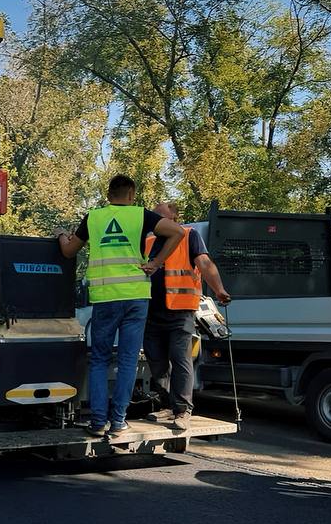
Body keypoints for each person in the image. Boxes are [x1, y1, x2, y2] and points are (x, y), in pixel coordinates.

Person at [59, 175, 185, 437]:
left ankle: (96, 422)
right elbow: (178, 232)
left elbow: (69, 251)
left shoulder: (93, 217)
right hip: (136, 296)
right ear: (132, 194)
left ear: (108, 195)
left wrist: (61, 235)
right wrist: (156, 263)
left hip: (105, 298)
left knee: (100, 360)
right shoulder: (142, 215)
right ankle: (118, 421)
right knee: (128, 360)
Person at [142, 201, 232, 431]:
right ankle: (165, 405)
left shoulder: (189, 235)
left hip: (181, 310)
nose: (156, 218)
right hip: (152, 310)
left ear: (174, 216)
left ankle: (182, 410)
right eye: (155, 215)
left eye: (161, 214)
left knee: (180, 359)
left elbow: (204, 263)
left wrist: (219, 289)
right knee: (156, 360)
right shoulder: (149, 240)